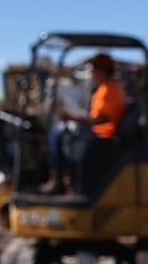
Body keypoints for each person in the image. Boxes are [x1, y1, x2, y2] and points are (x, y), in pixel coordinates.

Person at [42, 52, 127, 195]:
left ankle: (58, 181)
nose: (92, 74)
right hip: (98, 132)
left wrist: (80, 119)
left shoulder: (110, 90)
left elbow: (105, 118)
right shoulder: (105, 88)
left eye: (94, 70)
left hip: (102, 135)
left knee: (58, 136)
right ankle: (67, 180)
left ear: (101, 71)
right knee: (60, 133)